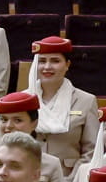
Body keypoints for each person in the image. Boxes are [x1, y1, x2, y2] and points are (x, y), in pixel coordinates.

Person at [24, 36, 99, 171]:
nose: (47, 67)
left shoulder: (86, 101)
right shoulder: (23, 99)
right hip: (27, 179)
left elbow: (91, 151)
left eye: (55, 61)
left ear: (67, 65)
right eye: (42, 61)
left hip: (68, 180)